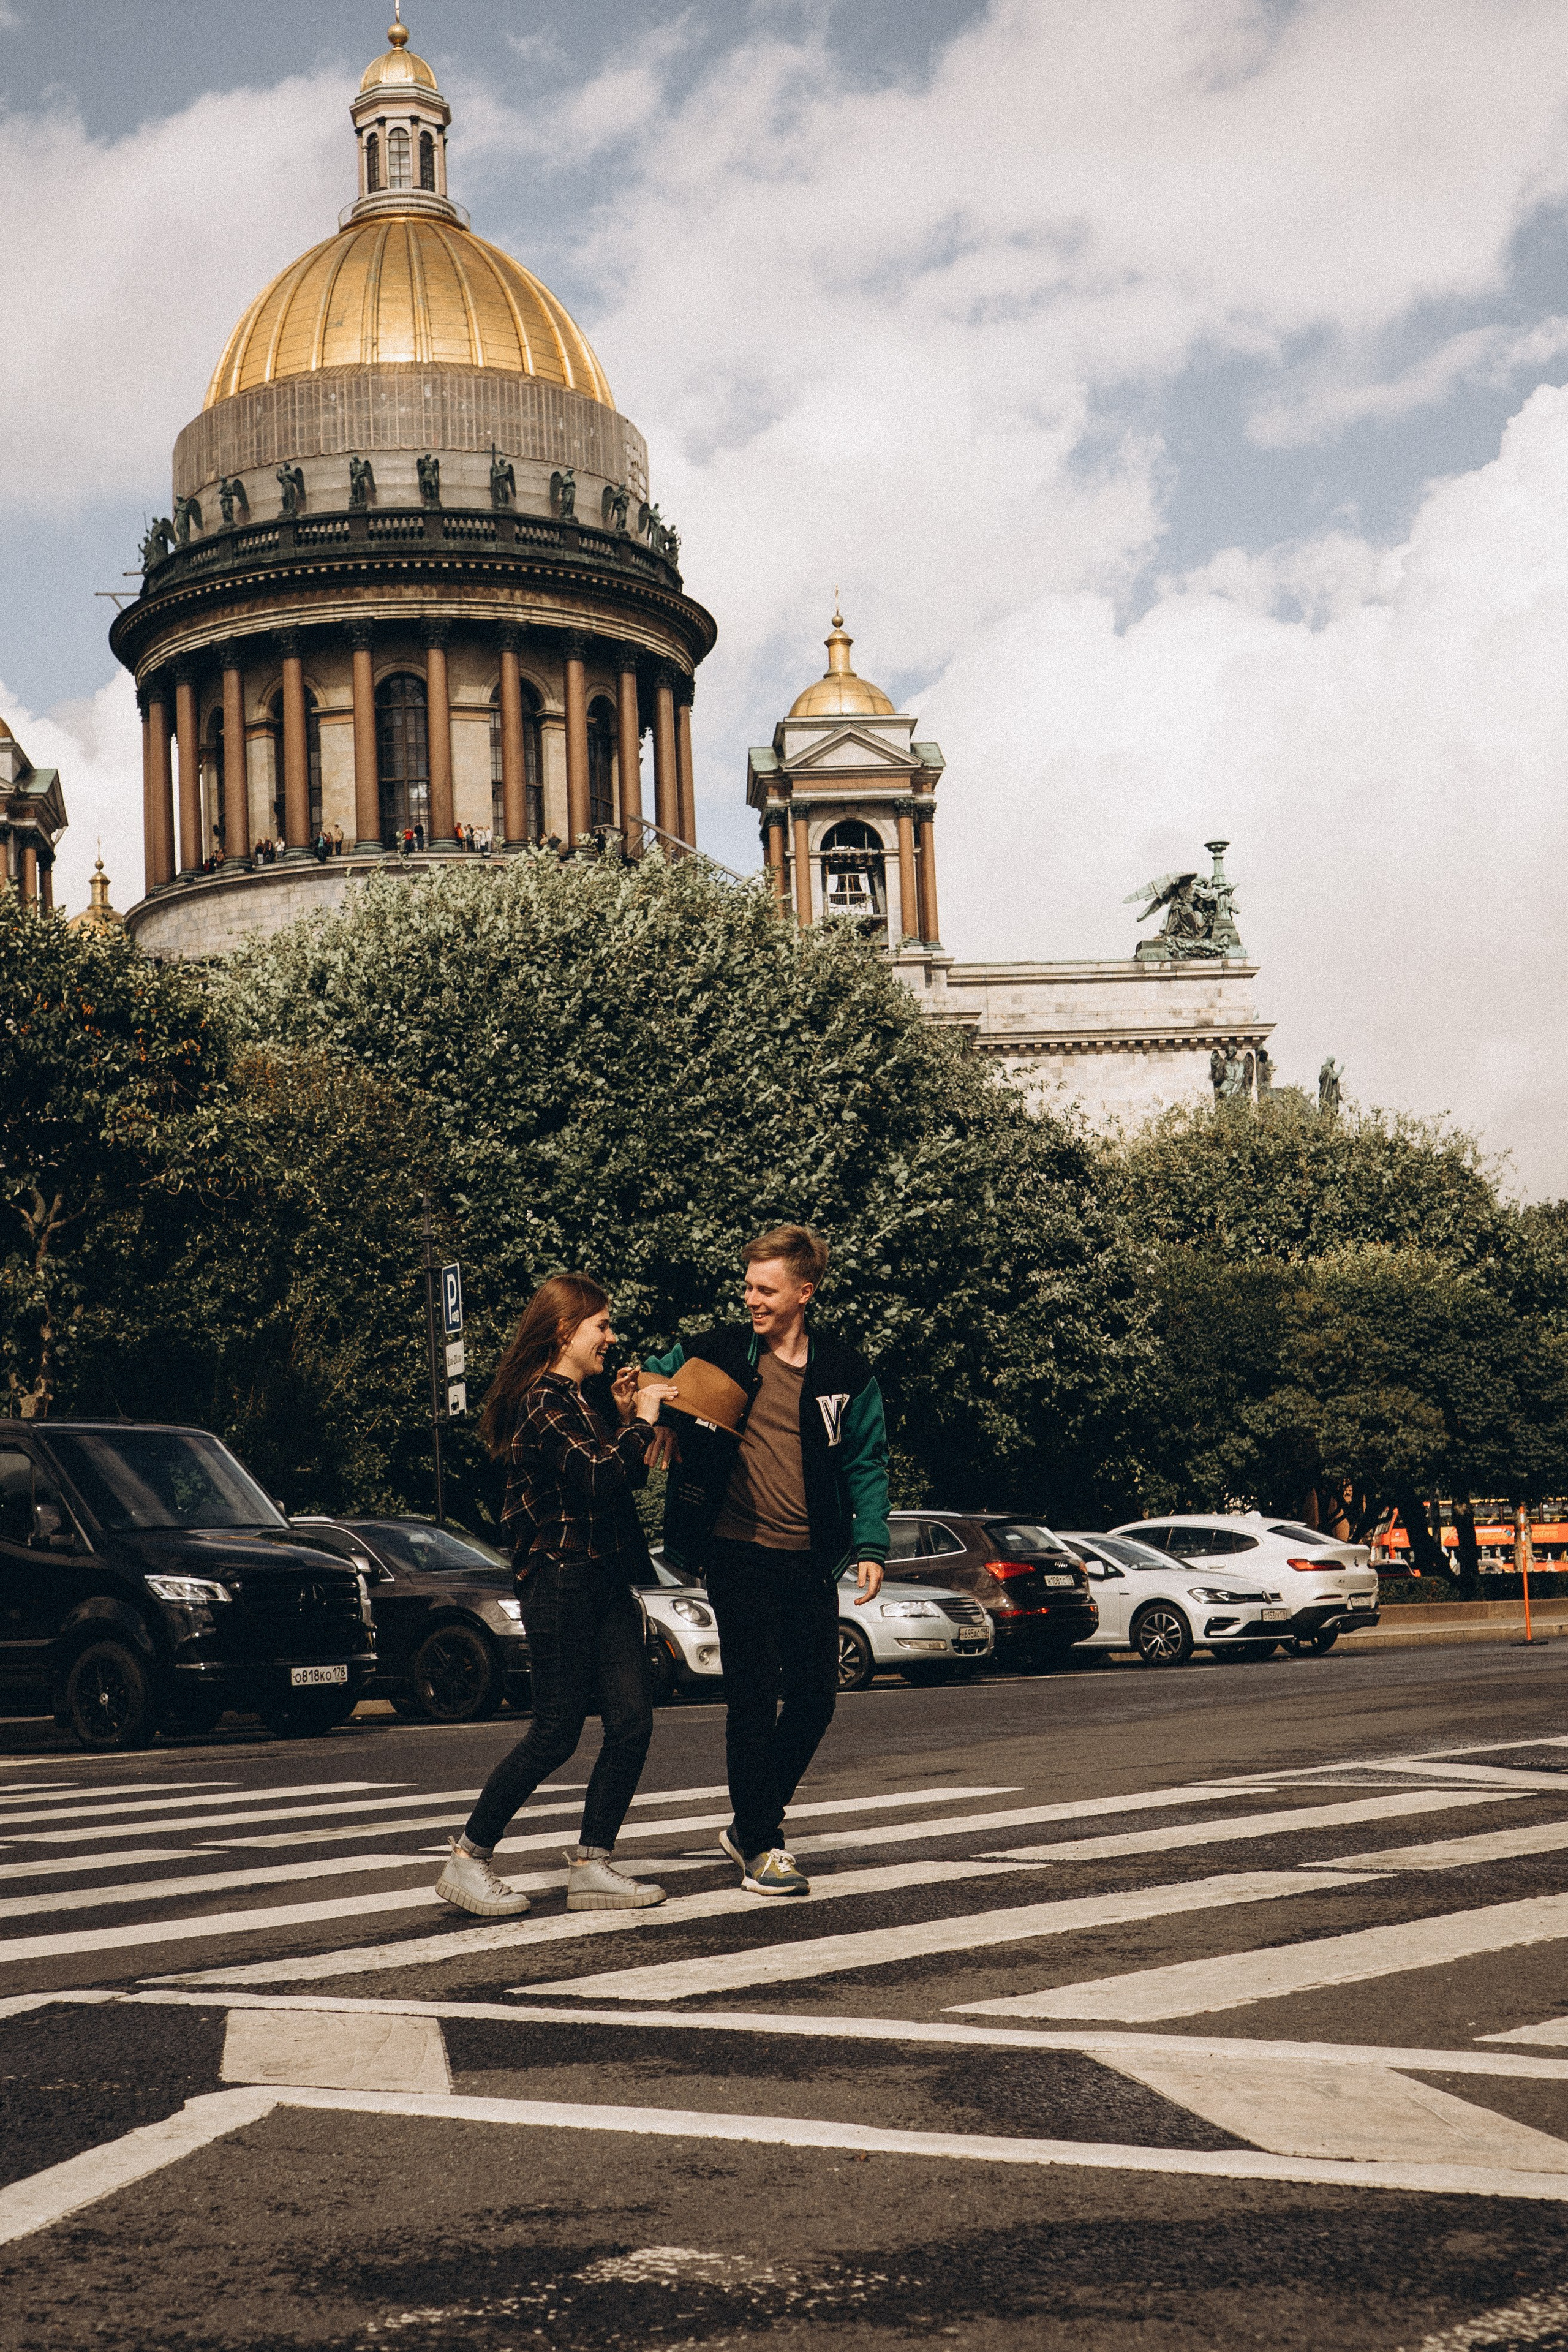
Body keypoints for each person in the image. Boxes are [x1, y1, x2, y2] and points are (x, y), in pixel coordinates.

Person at [643, 1224, 888, 1899]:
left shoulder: (845, 1371)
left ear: (804, 1293)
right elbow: (652, 1373)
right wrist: (662, 1415)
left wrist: (871, 1544)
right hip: (735, 1550)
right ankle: (761, 1843)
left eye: (766, 1289)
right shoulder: (719, 1350)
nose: (751, 1299)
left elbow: (866, 1461)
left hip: (810, 1558)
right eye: (748, 1286)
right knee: (751, 1699)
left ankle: (750, 1819)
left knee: (815, 1701)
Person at [435, 1272, 677, 1920]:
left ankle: (593, 1864)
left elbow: (612, 1476)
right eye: (602, 1325)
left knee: (631, 1723)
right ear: (566, 1330)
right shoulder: (541, 1400)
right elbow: (599, 1476)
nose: (611, 1338)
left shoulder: (577, 1401)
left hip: (605, 1580)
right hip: (561, 1581)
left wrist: (621, 1419)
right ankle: (467, 1857)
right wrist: (642, 1420)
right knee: (555, 1733)